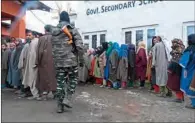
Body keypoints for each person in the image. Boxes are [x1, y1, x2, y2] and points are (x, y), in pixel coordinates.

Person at [50, 11, 84, 113]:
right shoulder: (72, 30)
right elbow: (79, 46)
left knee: (60, 84)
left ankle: (60, 106)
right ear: (68, 19)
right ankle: (68, 99)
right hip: (71, 61)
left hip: (58, 62)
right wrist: (81, 60)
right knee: (73, 79)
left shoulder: (54, 31)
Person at [35, 25, 57, 100]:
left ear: (45, 30)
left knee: (44, 78)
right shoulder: (55, 38)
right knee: (53, 77)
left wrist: (37, 61)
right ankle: (55, 93)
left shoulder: (41, 38)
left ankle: (44, 94)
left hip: (43, 62)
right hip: (54, 61)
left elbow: (40, 51)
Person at [22, 31, 39, 100]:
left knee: (33, 79)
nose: (28, 36)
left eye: (29, 35)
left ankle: (35, 95)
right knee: (32, 79)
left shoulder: (35, 42)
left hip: (33, 64)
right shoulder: (32, 42)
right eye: (27, 35)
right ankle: (35, 94)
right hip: (31, 64)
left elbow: (34, 54)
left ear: (34, 35)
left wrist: (34, 63)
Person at [167, 39, 185, 103]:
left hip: (176, 70)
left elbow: (176, 61)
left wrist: (170, 70)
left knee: (176, 84)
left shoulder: (177, 51)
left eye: (173, 43)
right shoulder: (182, 50)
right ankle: (181, 97)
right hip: (180, 70)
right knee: (179, 83)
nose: (172, 44)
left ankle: (179, 98)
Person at [180, 34, 195, 109]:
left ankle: (194, 103)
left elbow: (183, 62)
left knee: (190, 87)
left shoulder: (189, 50)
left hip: (189, 71)